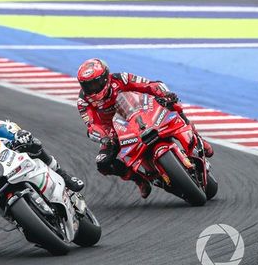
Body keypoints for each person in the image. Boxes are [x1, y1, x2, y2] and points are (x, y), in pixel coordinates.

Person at [75, 58, 214, 199]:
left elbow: (149, 85)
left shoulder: (121, 78)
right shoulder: (83, 101)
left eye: (95, 83)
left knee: (173, 105)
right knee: (103, 163)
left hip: (139, 114)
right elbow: (92, 125)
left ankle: (197, 138)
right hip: (114, 132)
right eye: (88, 86)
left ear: (105, 78)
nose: (92, 89)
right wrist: (105, 137)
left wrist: (164, 94)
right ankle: (139, 180)